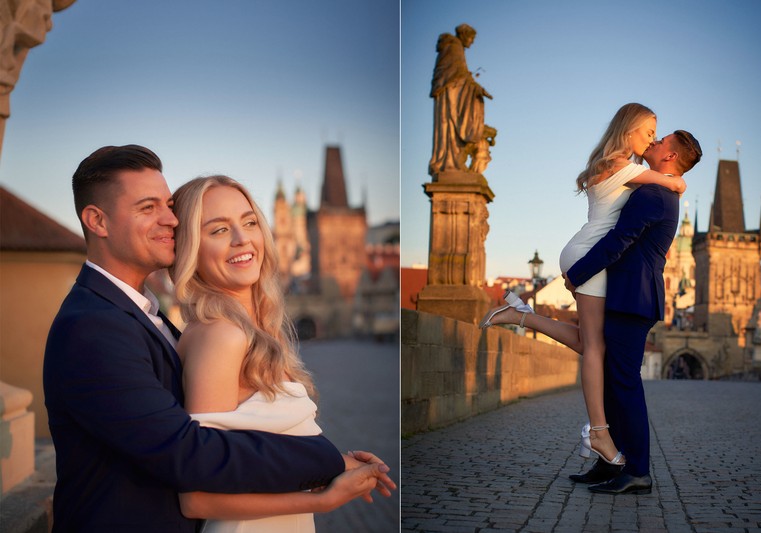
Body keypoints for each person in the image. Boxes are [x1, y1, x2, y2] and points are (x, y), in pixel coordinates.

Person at [43, 145, 392, 532]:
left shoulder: (146, 315)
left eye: (168, 205)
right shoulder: (94, 325)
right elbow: (190, 455)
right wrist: (329, 466)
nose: (169, 220)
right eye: (148, 208)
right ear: (98, 221)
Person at [169, 175, 388, 531]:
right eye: (219, 230)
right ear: (191, 248)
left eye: (249, 222)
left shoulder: (250, 330)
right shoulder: (221, 336)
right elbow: (197, 497)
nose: (243, 239)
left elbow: (257, 457)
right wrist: (323, 498)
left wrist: (332, 464)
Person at [480, 103, 686, 466]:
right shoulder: (628, 168)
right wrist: (674, 180)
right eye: (649, 132)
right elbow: (672, 182)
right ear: (629, 131)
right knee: (594, 349)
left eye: (656, 135)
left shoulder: (609, 164)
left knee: (589, 342)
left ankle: (519, 316)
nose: (652, 139)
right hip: (591, 256)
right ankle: (599, 434)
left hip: (581, 250)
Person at [564, 129, 702, 494]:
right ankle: (609, 462)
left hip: (632, 297)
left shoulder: (655, 193)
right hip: (629, 295)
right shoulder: (661, 189)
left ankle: (638, 470)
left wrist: (576, 276)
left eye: (661, 141)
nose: (653, 144)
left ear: (670, 157)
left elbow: (617, 241)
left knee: (624, 384)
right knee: (613, 381)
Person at [429, 23, 493, 176]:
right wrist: (475, 87)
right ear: (465, 35)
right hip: (450, 96)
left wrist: (474, 86)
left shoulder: (455, 48)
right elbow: (454, 75)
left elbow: (460, 74)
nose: (472, 42)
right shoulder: (454, 48)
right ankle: (449, 162)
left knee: (452, 129)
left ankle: (453, 162)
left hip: (453, 93)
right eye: (472, 38)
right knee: (451, 127)